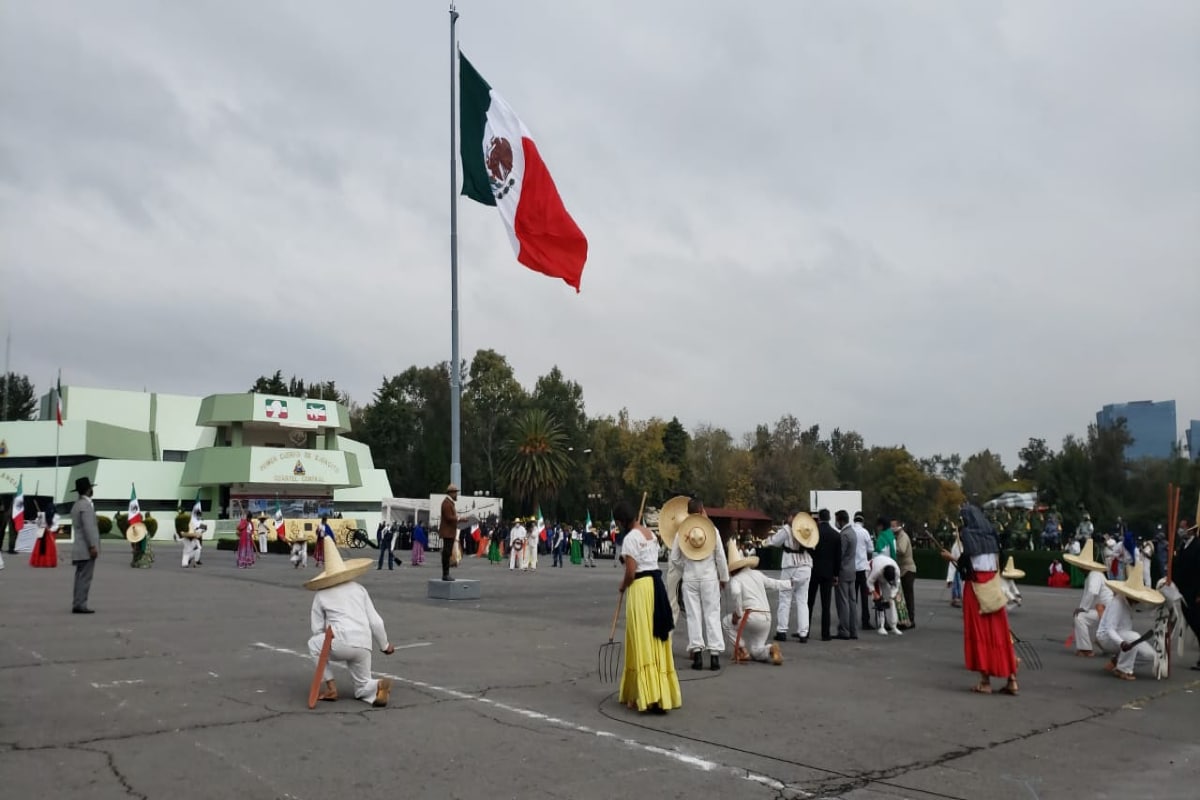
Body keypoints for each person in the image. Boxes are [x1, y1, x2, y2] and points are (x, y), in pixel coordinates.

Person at [306, 537, 396, 706]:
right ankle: (377, 685)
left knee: (313, 644)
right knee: (361, 687)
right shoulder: (359, 589)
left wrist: (325, 645)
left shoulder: (321, 594)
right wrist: (385, 646)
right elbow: (376, 621)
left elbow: (316, 629)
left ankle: (331, 687)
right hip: (364, 644)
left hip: (339, 641)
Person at [941, 504, 1018, 696]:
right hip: (993, 584)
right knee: (1000, 632)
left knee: (980, 633)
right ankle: (1012, 679)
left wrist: (951, 557)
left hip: (975, 589)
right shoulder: (991, 534)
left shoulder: (968, 535)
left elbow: (966, 568)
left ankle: (985, 682)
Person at [616, 500, 680, 714]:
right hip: (655, 586)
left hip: (640, 588)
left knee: (641, 638)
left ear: (623, 520)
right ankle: (659, 692)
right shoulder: (650, 535)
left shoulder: (629, 539)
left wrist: (622, 585)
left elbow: (631, 571)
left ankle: (646, 694)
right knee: (654, 638)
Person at [669, 499, 728, 671]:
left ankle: (697, 654)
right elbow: (720, 556)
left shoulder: (682, 532)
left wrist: (686, 567)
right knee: (712, 614)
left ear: (687, 512)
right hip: (709, 577)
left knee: (694, 616)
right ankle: (715, 655)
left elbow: (674, 558)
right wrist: (723, 576)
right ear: (702, 510)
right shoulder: (712, 530)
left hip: (690, 577)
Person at [722, 538, 787, 665]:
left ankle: (741, 650)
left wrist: (738, 613)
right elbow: (774, 583)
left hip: (751, 615)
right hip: (766, 617)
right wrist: (790, 583)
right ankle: (770, 649)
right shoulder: (757, 574)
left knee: (726, 622)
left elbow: (735, 593)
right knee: (756, 651)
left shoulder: (736, 579)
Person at [1096, 561, 1164, 681]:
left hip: (1124, 636)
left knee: (1150, 655)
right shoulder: (1117, 603)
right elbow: (1110, 629)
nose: (1138, 601)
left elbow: (1147, 608)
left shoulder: (1132, 602)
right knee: (1133, 636)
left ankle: (1119, 663)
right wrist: (1122, 643)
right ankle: (1123, 669)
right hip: (1106, 637)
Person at [767, 513, 816, 643]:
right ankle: (803, 633)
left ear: (791, 517)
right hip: (806, 566)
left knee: (785, 598)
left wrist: (769, 540)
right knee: (802, 600)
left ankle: (782, 630)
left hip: (790, 566)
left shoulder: (787, 529)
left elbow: (775, 542)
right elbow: (814, 545)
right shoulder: (809, 529)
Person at [1064, 540, 1112, 657]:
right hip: (1104, 610)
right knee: (1080, 616)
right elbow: (1089, 595)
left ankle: (1086, 649)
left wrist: (1083, 609)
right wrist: (1081, 608)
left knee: (1080, 617)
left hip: (1107, 611)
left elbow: (1092, 592)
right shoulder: (1092, 575)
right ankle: (1093, 647)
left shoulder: (1094, 575)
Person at [808, 509, 842, 642]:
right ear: (829, 518)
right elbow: (838, 557)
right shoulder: (836, 535)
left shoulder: (814, 533)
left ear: (819, 518)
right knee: (826, 604)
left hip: (814, 571)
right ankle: (825, 633)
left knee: (809, 602)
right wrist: (836, 574)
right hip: (828, 573)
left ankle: (805, 630)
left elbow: (809, 551)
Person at [70, 476, 101, 614]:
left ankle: (77, 602)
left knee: (79, 577)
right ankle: (81, 604)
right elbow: (88, 528)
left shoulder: (77, 505)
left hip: (79, 547)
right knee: (85, 578)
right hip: (86, 548)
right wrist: (92, 546)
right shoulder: (86, 506)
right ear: (88, 490)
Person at [1172, 521, 1200, 671]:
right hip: (1184, 591)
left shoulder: (1198, 546)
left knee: (1197, 622)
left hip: (1195, 592)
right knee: (1191, 619)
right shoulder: (1182, 545)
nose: (1180, 530)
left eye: (1183, 527)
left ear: (1191, 529)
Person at [834, 510, 858, 639]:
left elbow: (840, 555)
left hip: (843, 571)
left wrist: (834, 572)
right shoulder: (853, 533)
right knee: (852, 601)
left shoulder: (844, 535)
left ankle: (844, 630)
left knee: (842, 602)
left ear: (840, 520)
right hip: (852, 570)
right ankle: (853, 630)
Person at [866, 553, 903, 636]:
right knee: (879, 601)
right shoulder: (877, 570)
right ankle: (881, 626)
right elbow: (869, 582)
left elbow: (896, 585)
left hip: (884, 575)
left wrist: (891, 596)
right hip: (871, 571)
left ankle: (893, 626)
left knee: (891, 602)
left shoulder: (896, 570)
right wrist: (874, 592)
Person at [893, 520, 917, 630]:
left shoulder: (902, 536)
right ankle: (904, 620)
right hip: (902, 569)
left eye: (893, 526)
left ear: (898, 526)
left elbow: (901, 550)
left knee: (908, 596)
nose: (891, 528)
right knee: (902, 597)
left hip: (907, 569)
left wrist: (891, 546)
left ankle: (910, 620)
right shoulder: (897, 536)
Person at [852, 512, 874, 628]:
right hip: (862, 568)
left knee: (852, 596)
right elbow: (871, 549)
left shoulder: (850, 531)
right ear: (862, 521)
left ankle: (851, 620)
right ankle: (865, 621)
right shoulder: (865, 532)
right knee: (864, 597)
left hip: (852, 568)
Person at [438, 485, 459, 582]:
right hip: (448, 532)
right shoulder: (447, 503)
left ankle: (446, 573)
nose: (456, 494)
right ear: (451, 493)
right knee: (446, 553)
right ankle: (445, 574)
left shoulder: (449, 503)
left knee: (447, 553)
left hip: (449, 532)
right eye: (455, 492)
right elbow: (449, 517)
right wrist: (459, 518)